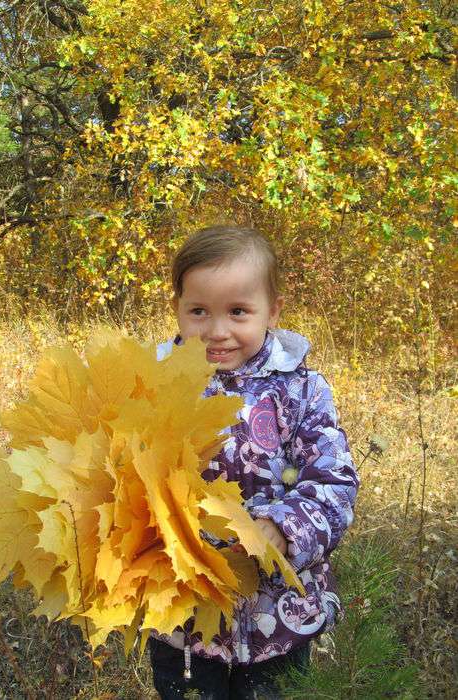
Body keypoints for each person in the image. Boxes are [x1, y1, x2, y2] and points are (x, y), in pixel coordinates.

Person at [150, 225, 359, 699]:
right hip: (184, 617)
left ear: (273, 312)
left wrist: (284, 529)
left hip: (279, 617)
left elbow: (334, 480)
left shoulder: (301, 390)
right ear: (178, 309)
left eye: (238, 312)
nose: (217, 331)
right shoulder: (155, 384)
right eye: (199, 311)